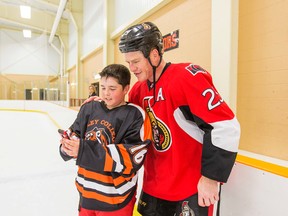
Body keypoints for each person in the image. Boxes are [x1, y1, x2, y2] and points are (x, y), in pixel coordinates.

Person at [117, 22, 241, 216]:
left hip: (190, 189)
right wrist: (101, 105)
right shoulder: (137, 92)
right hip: (153, 189)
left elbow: (225, 127)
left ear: (154, 54)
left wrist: (210, 178)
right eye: (128, 63)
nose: (132, 68)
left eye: (136, 61)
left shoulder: (186, 78)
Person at [59, 64, 152, 216]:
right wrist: (67, 146)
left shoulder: (135, 115)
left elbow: (131, 158)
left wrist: (82, 149)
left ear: (126, 89)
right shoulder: (89, 108)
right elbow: (73, 134)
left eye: (112, 89)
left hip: (116, 199)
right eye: (102, 88)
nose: (106, 93)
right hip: (86, 193)